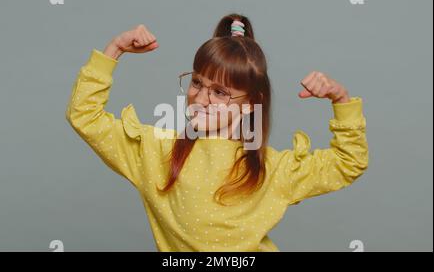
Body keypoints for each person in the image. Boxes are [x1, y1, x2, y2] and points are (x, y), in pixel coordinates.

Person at [65, 13, 369, 252]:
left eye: (220, 92)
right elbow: (85, 116)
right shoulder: (156, 152)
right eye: (197, 83)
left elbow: (348, 163)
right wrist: (114, 49)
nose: (200, 98)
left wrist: (340, 100)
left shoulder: (271, 170)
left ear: (251, 104)